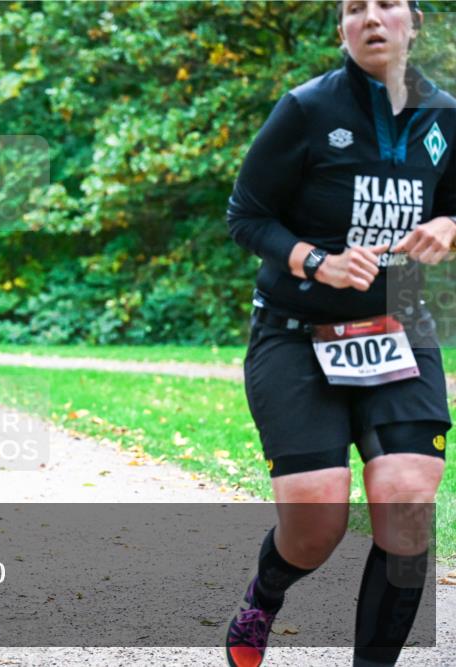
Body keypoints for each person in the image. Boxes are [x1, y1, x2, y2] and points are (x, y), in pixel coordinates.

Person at [224, 2, 454, 666]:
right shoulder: (306, 109)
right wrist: (316, 259)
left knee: (408, 506)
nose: (372, 18)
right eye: (356, 7)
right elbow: (246, 216)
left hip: (397, 326)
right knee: (316, 523)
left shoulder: (446, 116)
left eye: (387, 5)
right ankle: (265, 594)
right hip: (295, 332)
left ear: (414, 23)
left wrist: (450, 226)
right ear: (342, 29)